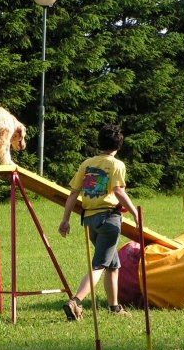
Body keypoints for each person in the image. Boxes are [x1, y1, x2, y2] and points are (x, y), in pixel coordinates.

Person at [58, 123, 139, 320]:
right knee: (99, 265)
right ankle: (76, 301)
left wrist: (65, 219)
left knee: (113, 264)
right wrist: (136, 213)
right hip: (109, 219)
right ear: (119, 145)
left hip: (89, 220)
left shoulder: (87, 164)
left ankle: (115, 307)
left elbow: (74, 192)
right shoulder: (117, 165)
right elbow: (119, 191)